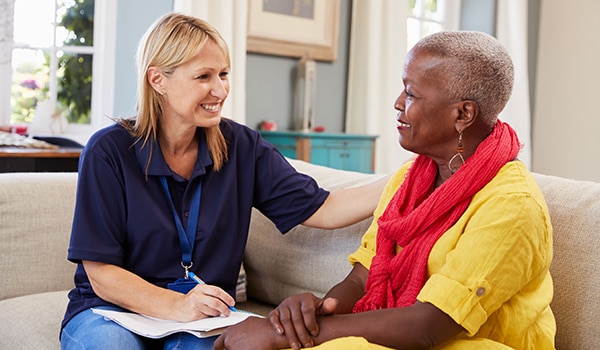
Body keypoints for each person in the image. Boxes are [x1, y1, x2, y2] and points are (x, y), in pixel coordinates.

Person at [59, 13, 388, 350]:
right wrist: (176, 306)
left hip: (203, 319)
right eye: (203, 76)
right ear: (158, 80)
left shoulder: (242, 147)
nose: (220, 89)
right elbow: (100, 272)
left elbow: (325, 208)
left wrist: (407, 175)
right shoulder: (108, 151)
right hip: (112, 312)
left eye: (224, 74)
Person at [214, 31, 556, 349]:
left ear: (463, 113)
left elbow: (429, 326)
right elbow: (361, 280)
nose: (397, 102)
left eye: (411, 93)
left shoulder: (512, 206)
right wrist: (312, 315)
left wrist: (280, 337)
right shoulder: (409, 180)